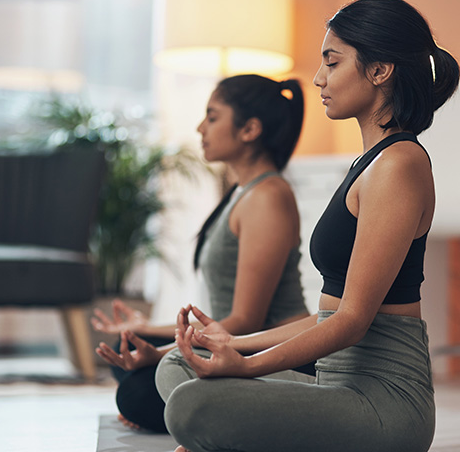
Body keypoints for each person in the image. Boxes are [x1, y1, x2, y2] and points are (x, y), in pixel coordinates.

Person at [155, 0, 460, 452]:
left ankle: (229, 437)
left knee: (193, 406)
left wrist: (246, 367)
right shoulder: (370, 163)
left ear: (380, 71)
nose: (318, 77)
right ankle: (235, 439)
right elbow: (327, 315)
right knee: (177, 366)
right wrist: (230, 344)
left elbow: (352, 321)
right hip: (334, 384)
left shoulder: (399, 165)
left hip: (385, 406)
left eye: (332, 62)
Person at [94, 74, 312, 432]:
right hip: (235, 342)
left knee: (136, 394)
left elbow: (246, 320)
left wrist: (163, 353)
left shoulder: (268, 197)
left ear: (250, 129)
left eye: (212, 117)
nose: (200, 128)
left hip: (274, 354)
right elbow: (224, 323)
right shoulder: (242, 193)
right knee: (130, 349)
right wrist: (146, 330)